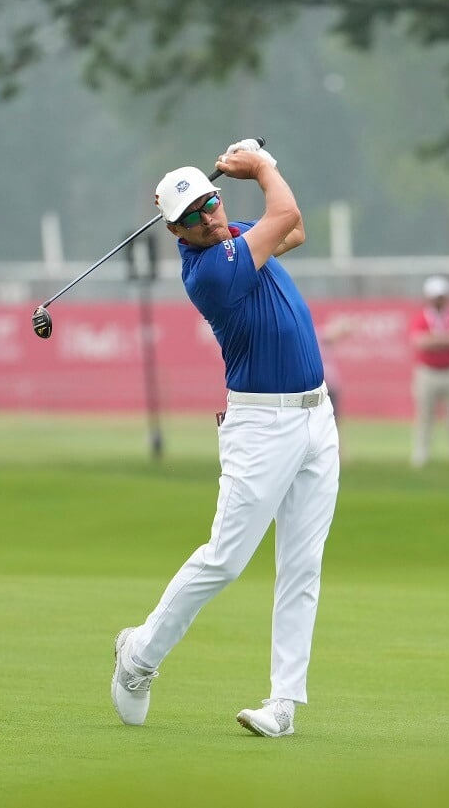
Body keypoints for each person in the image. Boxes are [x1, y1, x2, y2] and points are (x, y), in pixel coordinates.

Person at [111, 139, 339, 739]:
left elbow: (295, 230)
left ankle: (284, 704)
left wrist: (260, 190)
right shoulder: (210, 270)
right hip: (261, 426)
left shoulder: (234, 237)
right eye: (193, 217)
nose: (209, 218)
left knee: (302, 564)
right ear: (176, 233)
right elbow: (284, 216)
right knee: (225, 559)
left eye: (211, 203)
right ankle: (138, 657)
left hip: (318, 417)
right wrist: (263, 167)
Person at [409, 275, 449, 467]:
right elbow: (419, 342)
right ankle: (421, 455)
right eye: (435, 296)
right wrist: (447, 339)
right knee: (425, 416)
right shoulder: (421, 318)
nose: (439, 300)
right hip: (428, 372)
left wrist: (434, 340)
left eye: (442, 296)